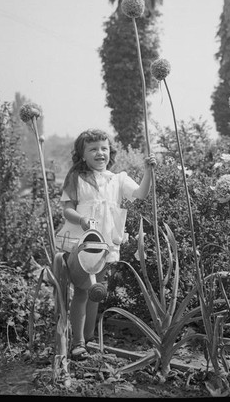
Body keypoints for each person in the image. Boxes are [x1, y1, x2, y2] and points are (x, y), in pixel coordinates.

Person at [55, 129, 156, 361]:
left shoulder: (117, 179)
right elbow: (67, 209)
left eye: (104, 148)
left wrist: (148, 172)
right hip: (83, 242)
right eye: (92, 149)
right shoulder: (76, 177)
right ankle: (77, 342)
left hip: (106, 243)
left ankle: (88, 339)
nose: (99, 152)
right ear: (82, 155)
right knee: (81, 290)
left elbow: (140, 194)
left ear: (110, 152)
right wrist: (81, 219)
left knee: (95, 292)